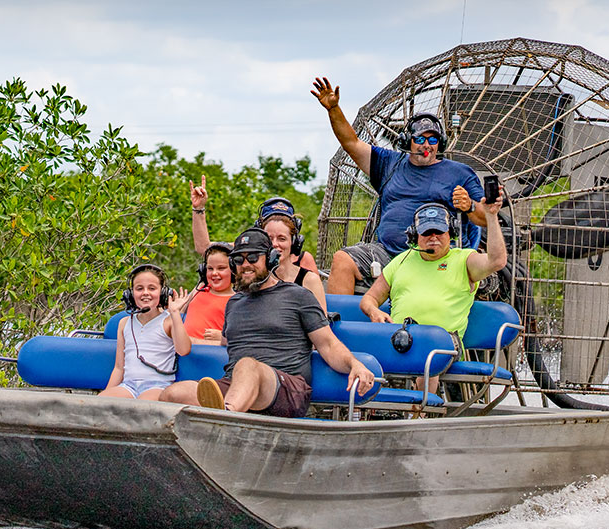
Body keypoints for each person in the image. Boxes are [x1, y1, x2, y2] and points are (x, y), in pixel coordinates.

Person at [157, 227, 375, 417]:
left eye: (253, 257)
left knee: (247, 365)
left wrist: (354, 364)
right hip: (237, 387)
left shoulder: (297, 296)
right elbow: (224, 343)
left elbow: (327, 344)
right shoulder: (234, 303)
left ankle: (224, 418)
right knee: (174, 393)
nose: (245, 264)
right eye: (239, 259)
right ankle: (221, 416)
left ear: (270, 259)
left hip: (287, 389)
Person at [311, 77, 485, 294]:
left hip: (434, 258)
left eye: (433, 140)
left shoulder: (459, 173)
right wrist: (333, 109)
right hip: (387, 255)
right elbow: (351, 143)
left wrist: (469, 206)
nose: (427, 146)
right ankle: (338, 325)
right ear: (406, 142)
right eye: (420, 139)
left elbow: (486, 217)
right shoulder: (389, 163)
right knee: (343, 260)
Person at [359, 199, 507, 351]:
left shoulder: (465, 260)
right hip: (399, 341)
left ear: (451, 233)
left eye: (439, 231)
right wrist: (374, 311)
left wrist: (491, 216)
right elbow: (369, 299)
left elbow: (496, 261)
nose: (433, 237)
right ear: (414, 235)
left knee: (431, 355)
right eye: (427, 232)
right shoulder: (400, 261)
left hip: (443, 346)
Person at [98, 265, 192, 401]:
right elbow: (119, 368)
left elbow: (184, 350)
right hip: (128, 386)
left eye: (152, 288)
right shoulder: (124, 323)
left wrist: (175, 313)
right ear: (131, 294)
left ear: (163, 292)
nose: (145, 293)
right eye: (139, 288)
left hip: (157, 386)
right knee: (101, 405)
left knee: (142, 407)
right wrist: (102, 399)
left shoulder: (168, 321)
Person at [190, 178, 319, 271]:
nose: (275, 244)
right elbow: (204, 248)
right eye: (269, 238)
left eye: (282, 238)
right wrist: (198, 208)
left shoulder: (303, 260)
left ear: (294, 240)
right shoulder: (246, 253)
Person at [182, 242, 234, 345]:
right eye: (210, 268)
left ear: (233, 270)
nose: (214, 273)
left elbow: (241, 338)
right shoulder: (200, 288)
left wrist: (222, 337)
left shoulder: (236, 300)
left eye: (221, 268)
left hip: (210, 354)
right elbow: (180, 312)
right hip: (184, 355)